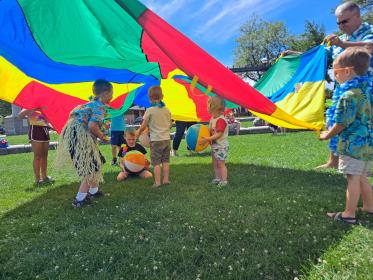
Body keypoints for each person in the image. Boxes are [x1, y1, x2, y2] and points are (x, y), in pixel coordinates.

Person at [283, 2, 373, 169]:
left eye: (344, 21)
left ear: (357, 16)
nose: (340, 26)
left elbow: (369, 47)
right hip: (343, 89)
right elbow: (321, 57)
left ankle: (361, 164)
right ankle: (333, 161)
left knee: (362, 126)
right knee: (335, 119)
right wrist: (294, 55)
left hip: (365, 90)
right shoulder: (342, 40)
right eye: (338, 22)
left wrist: (343, 45)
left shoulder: (369, 31)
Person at [320, 47, 373, 224]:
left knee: (352, 177)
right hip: (366, 145)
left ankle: (348, 214)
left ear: (348, 71)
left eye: (335, 72)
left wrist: (328, 134)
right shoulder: (367, 91)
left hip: (352, 146)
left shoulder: (347, 96)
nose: (334, 76)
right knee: (362, 176)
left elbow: (342, 123)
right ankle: (369, 207)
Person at [57, 79, 112, 208]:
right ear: (105, 94)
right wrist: (103, 137)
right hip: (80, 137)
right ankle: (79, 200)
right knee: (90, 168)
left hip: (75, 136)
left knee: (97, 162)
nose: (112, 96)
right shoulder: (99, 107)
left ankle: (94, 191)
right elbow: (92, 126)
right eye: (111, 93)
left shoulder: (90, 104)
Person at [136, 86, 172, 187]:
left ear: (150, 97)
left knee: (156, 163)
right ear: (162, 96)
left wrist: (138, 133)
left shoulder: (150, 110)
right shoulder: (167, 110)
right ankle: (166, 180)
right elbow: (169, 125)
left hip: (156, 140)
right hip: (166, 139)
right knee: (165, 161)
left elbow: (143, 126)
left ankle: (157, 182)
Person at [18, 108, 54, 186]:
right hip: (35, 130)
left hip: (45, 130)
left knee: (45, 155)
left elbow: (47, 121)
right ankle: (38, 179)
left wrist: (54, 127)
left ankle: (44, 177)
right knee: (37, 156)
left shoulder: (44, 106)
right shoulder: (29, 105)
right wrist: (32, 108)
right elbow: (20, 116)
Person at [200, 96, 229, 187]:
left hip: (221, 146)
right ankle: (217, 178)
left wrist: (207, 139)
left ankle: (224, 181)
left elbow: (219, 134)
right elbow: (210, 131)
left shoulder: (221, 120)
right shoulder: (213, 119)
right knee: (215, 163)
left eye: (208, 105)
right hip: (215, 146)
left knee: (221, 164)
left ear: (213, 107)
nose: (207, 106)